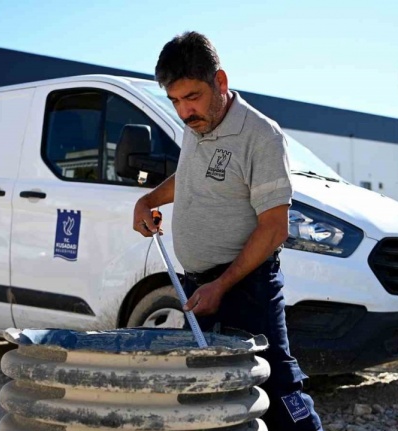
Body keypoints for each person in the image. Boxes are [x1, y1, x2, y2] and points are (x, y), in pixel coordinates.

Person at [132, 31, 323, 431]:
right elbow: (187, 178)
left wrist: (222, 284)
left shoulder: (262, 136)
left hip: (246, 288)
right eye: (175, 101)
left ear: (220, 81)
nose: (184, 111)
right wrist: (148, 200)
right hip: (198, 289)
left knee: (275, 391)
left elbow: (274, 229)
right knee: (207, 395)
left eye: (193, 97)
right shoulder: (196, 125)